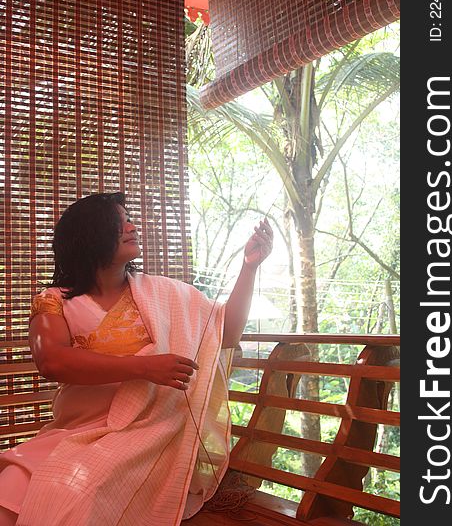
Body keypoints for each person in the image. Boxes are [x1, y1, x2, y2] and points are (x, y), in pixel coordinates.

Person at [0, 192, 273, 526]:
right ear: (90, 234)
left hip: (149, 434)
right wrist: (144, 367)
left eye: (129, 218)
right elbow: (52, 361)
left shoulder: (162, 294)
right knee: (10, 485)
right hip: (77, 431)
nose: (132, 226)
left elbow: (226, 332)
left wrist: (249, 267)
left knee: (75, 491)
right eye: (120, 222)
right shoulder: (54, 301)